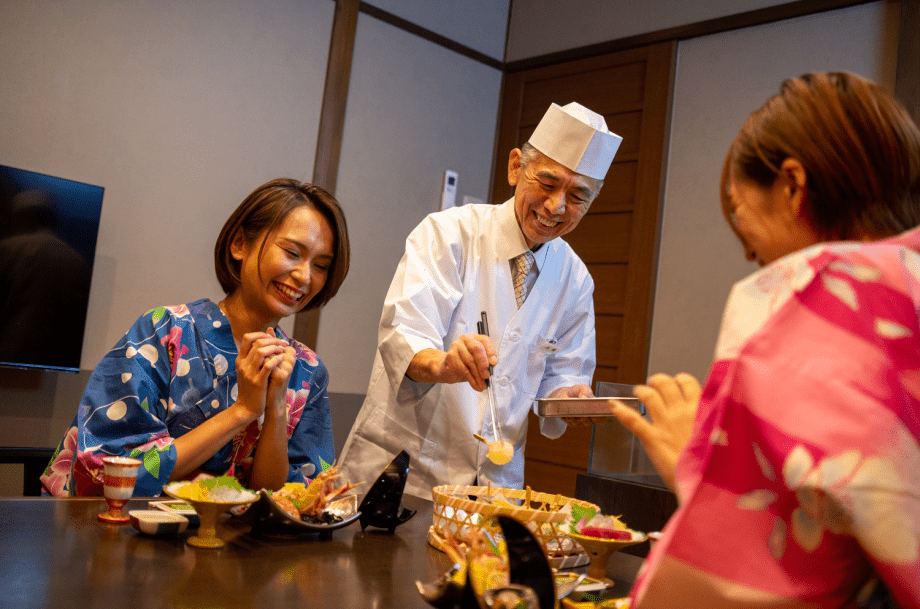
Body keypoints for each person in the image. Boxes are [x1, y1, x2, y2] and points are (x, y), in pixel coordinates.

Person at [609, 72, 920, 609]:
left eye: (738, 211)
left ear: (793, 186)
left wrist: (700, 466)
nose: (750, 255)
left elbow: (753, 587)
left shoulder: (822, 297)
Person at [339, 102, 622, 500]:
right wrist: (445, 364)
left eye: (578, 195)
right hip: (405, 472)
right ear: (515, 167)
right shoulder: (448, 234)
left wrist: (570, 398)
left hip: (495, 485)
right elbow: (404, 336)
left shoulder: (575, 280)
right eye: (546, 182)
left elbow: (562, 377)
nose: (556, 207)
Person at [41, 178, 350, 497]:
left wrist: (275, 410)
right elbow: (111, 471)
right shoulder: (164, 330)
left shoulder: (307, 372)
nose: (305, 276)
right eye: (292, 252)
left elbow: (287, 500)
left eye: (321, 265)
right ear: (240, 244)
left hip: (236, 545)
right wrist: (242, 410)